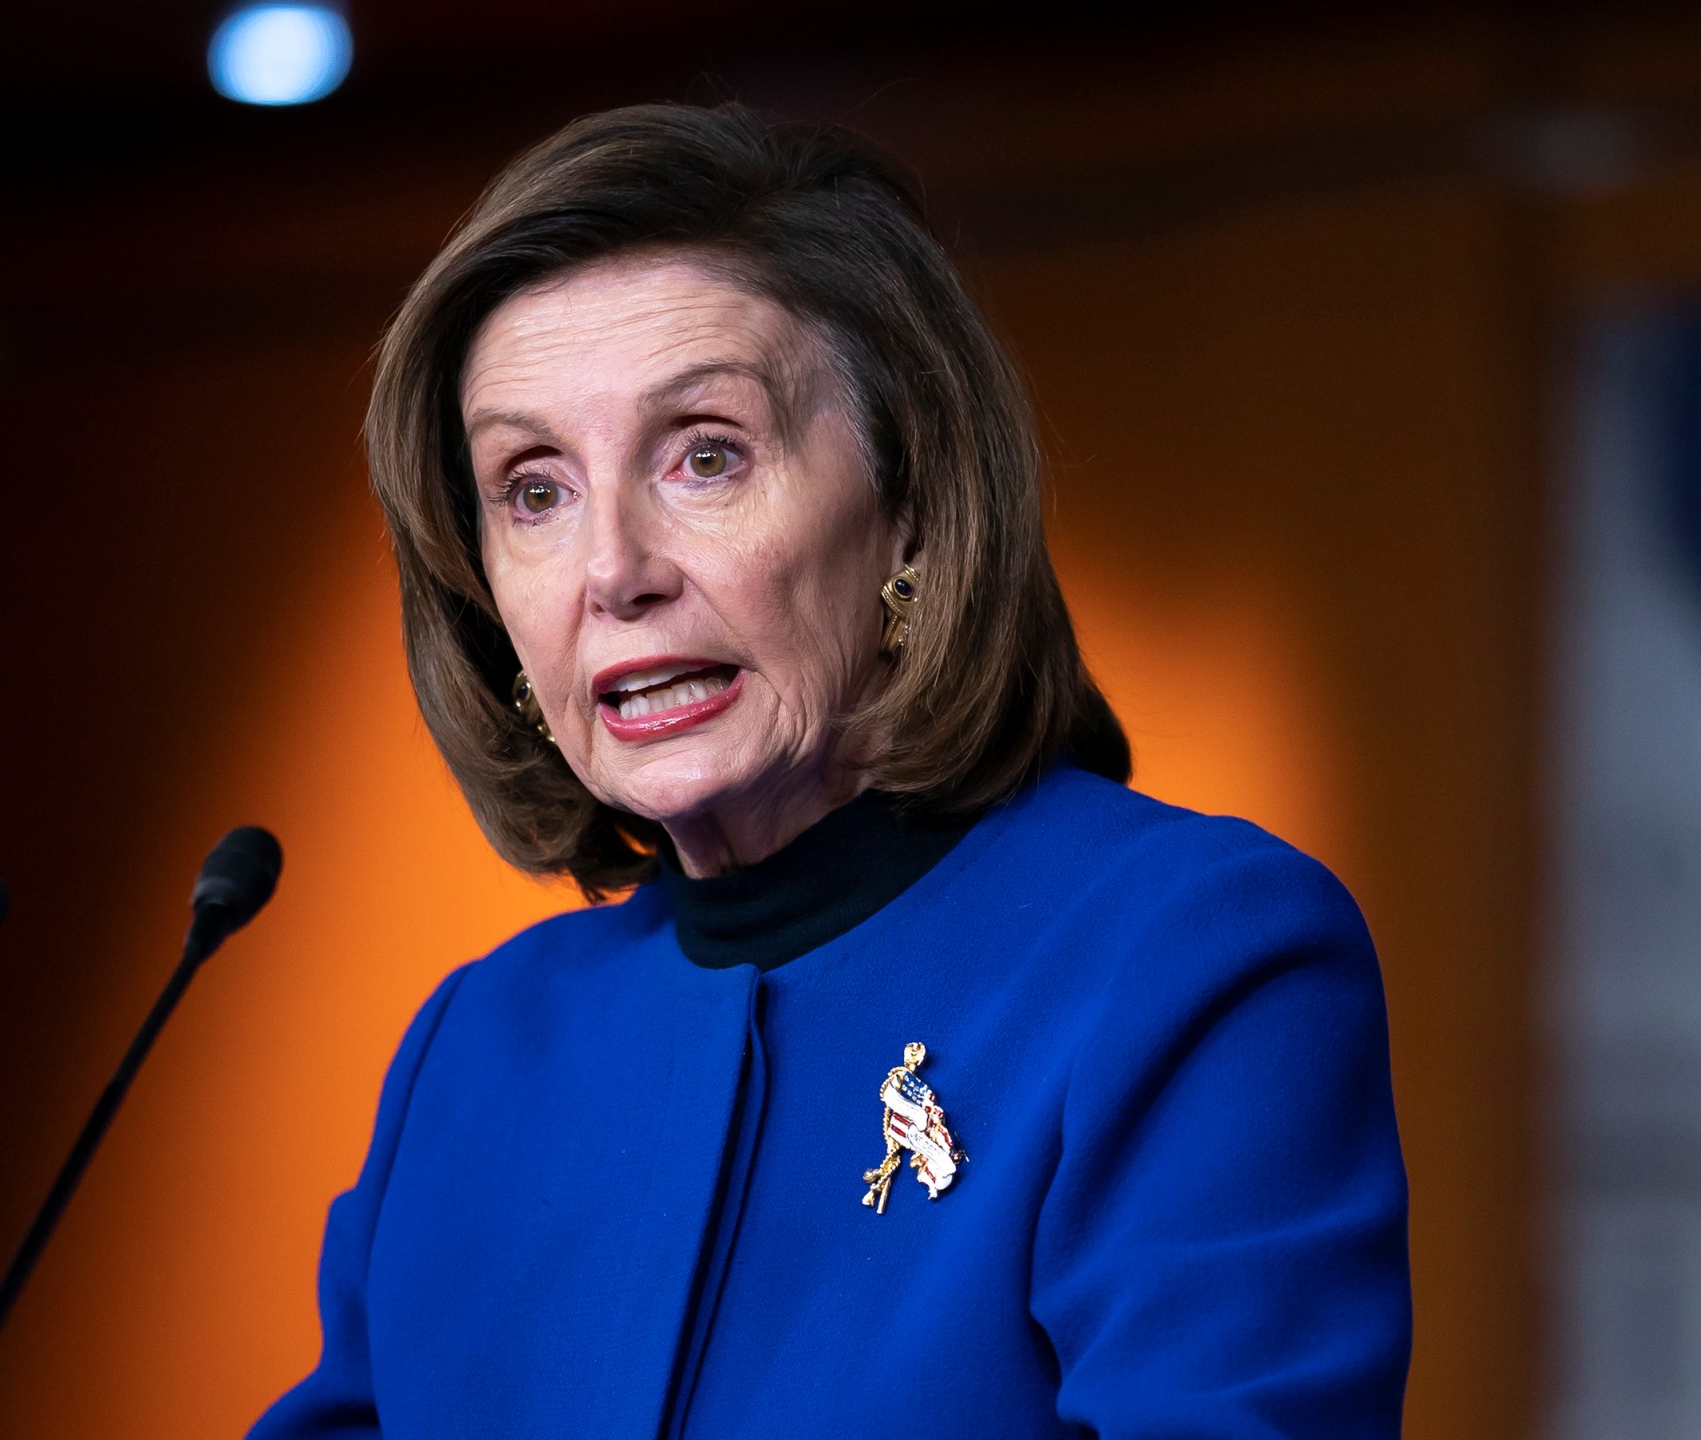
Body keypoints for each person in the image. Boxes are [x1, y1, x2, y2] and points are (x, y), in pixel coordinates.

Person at [248, 103, 1409, 1438]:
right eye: (534, 489)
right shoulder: (476, 1055)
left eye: (707, 456)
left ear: (910, 501)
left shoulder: (1194, 962)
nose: (614, 571)